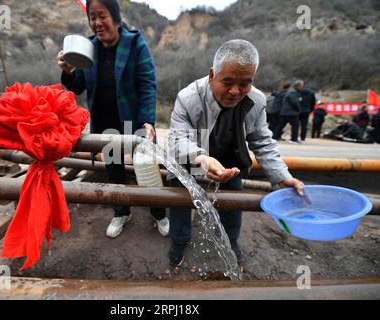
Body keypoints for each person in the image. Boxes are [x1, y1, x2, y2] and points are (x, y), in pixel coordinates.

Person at [167, 39, 304, 267]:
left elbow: (262, 141)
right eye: (227, 82)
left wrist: (282, 176)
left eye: (245, 83)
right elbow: (178, 139)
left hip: (232, 163)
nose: (235, 91)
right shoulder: (188, 97)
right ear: (212, 74)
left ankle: (231, 241)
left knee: (233, 204)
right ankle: (179, 242)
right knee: (180, 200)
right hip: (191, 160)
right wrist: (201, 158)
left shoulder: (256, 100)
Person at [58, 0, 168, 238]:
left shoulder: (135, 44)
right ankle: (121, 212)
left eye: (102, 16)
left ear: (116, 18)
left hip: (136, 121)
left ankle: (158, 212)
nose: (97, 23)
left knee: (148, 170)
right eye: (92, 17)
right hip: (106, 122)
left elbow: (147, 85)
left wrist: (147, 121)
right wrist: (68, 71)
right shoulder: (89, 48)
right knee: (115, 172)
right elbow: (79, 87)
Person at [273, 80, 303, 144]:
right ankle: (294, 139)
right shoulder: (293, 92)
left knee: (281, 125)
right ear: (297, 86)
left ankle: (274, 137)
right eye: (301, 86)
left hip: (284, 112)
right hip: (291, 112)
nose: (301, 88)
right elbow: (295, 102)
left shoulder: (290, 91)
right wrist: (298, 109)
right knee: (295, 125)